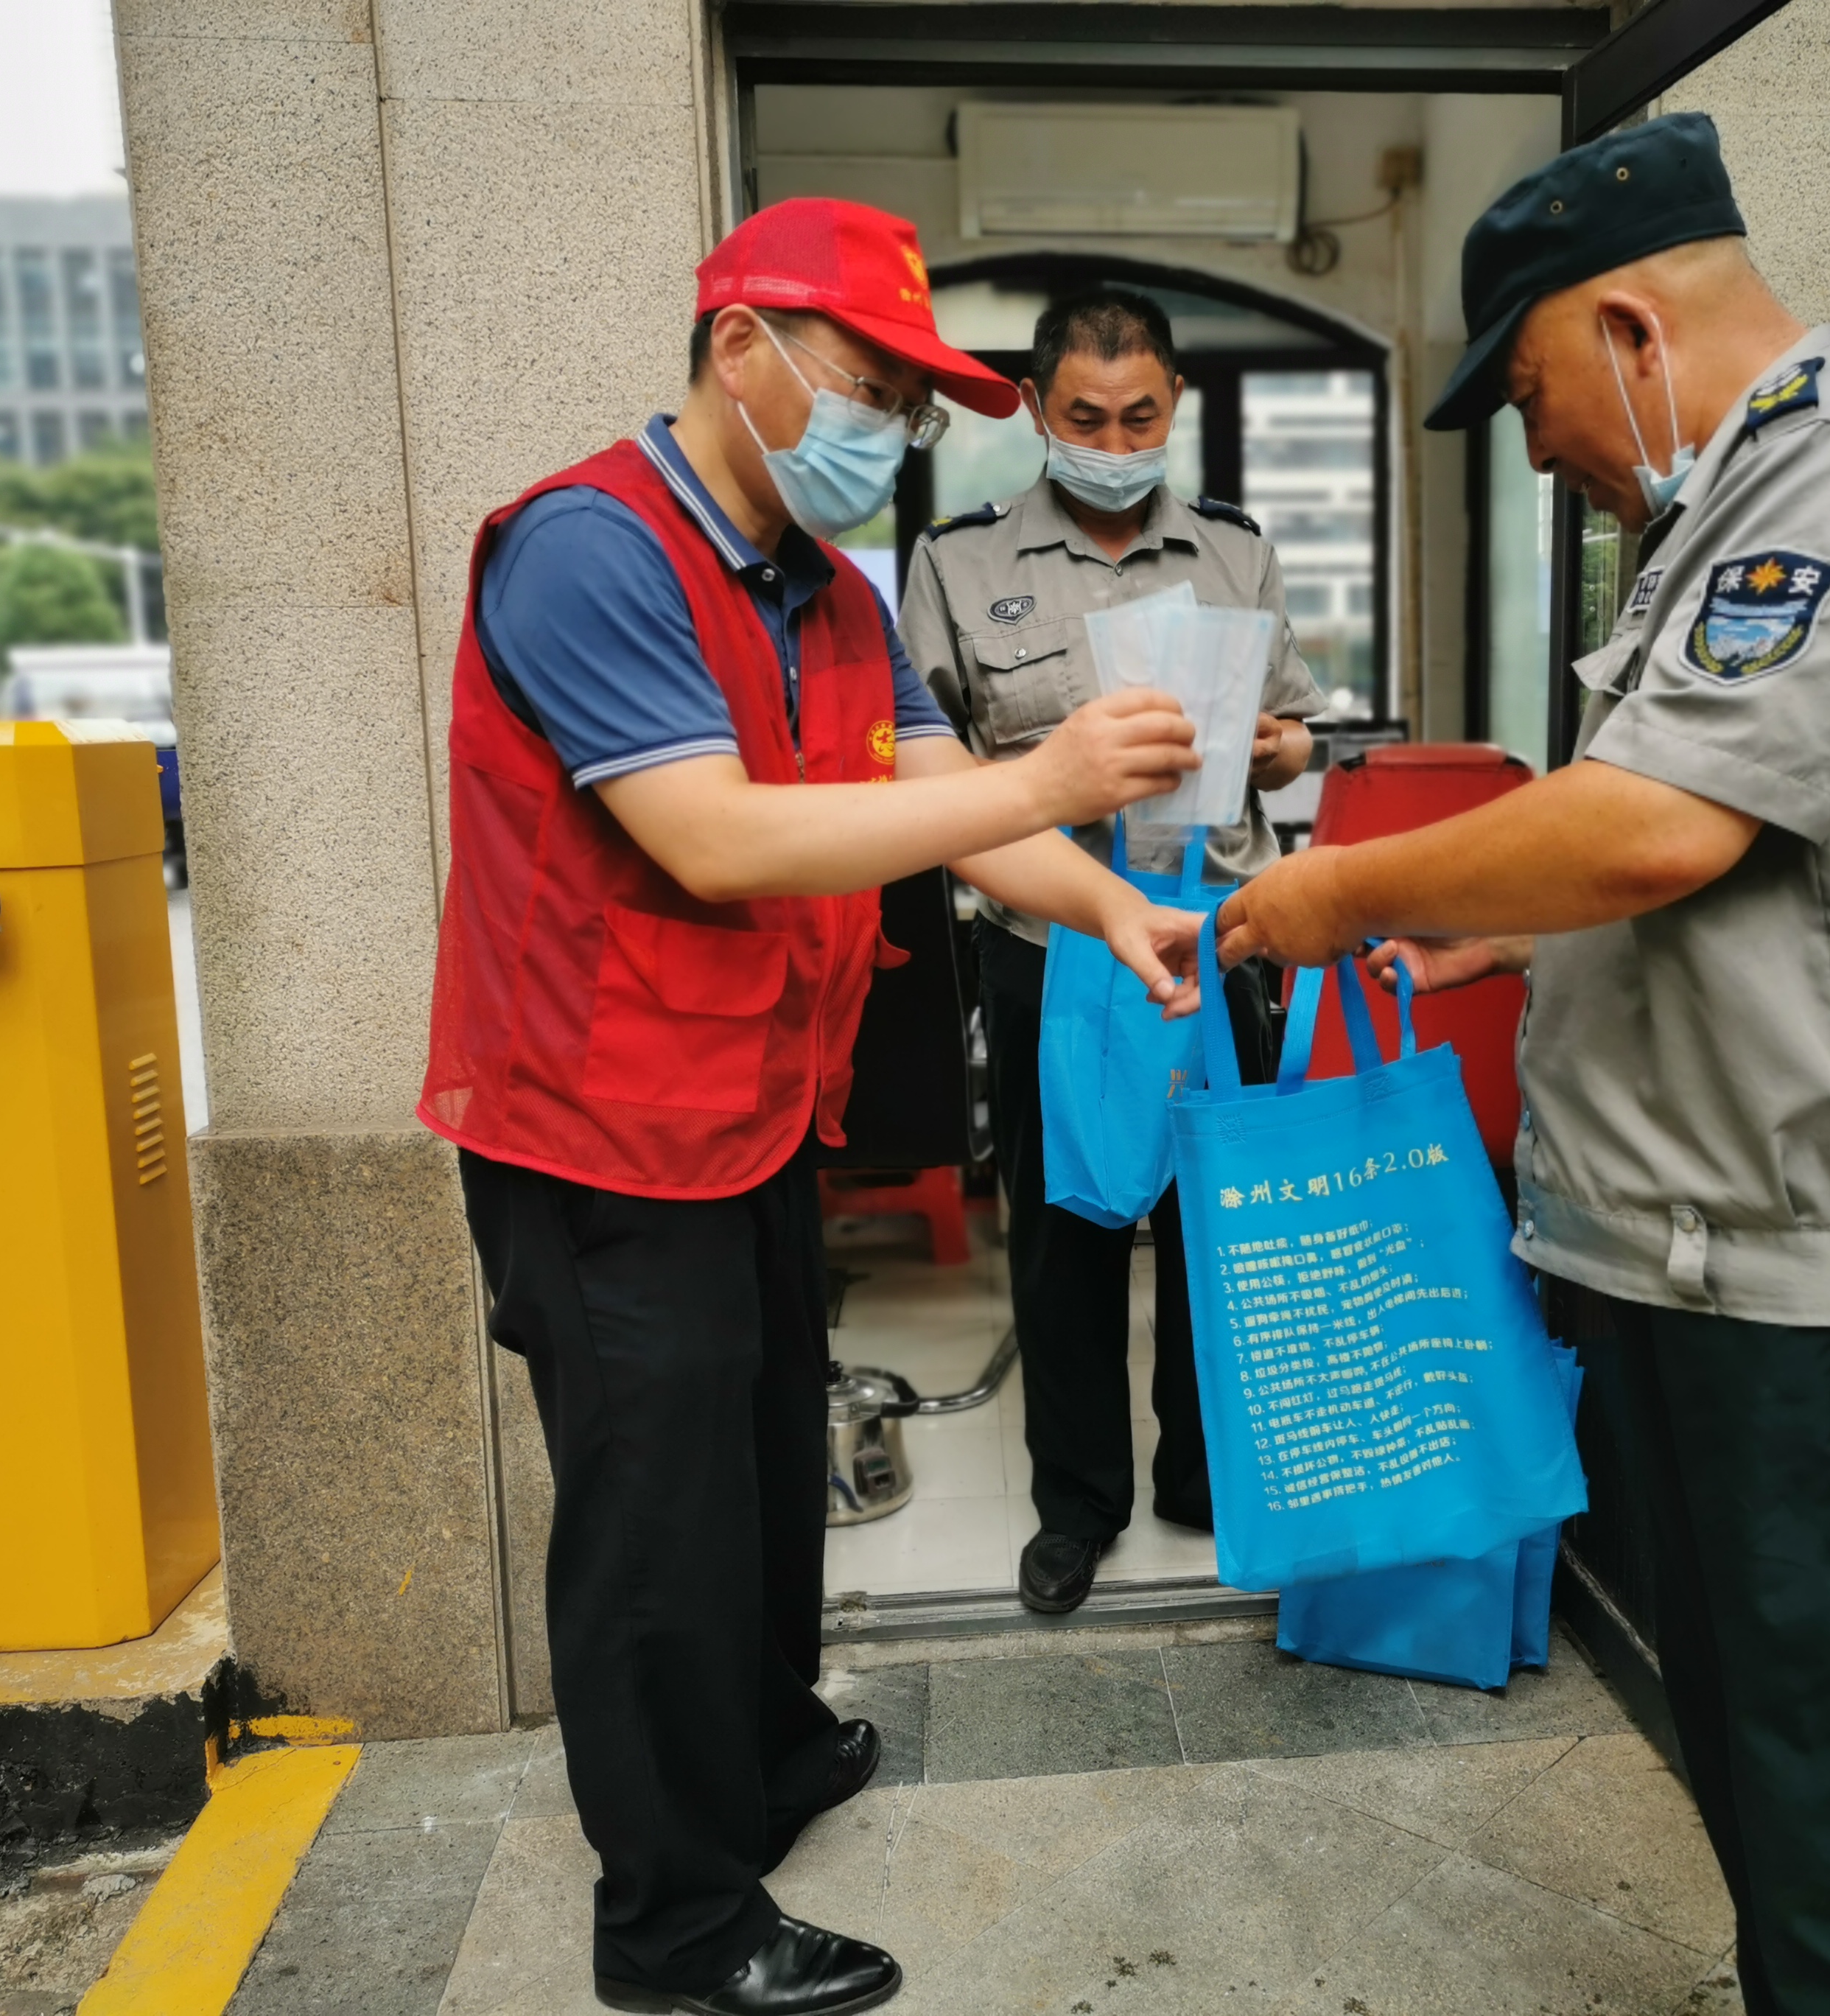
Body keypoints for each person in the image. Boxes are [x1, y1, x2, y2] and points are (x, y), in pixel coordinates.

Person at [1217, 113, 1830, 2016]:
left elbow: (1658, 826)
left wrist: (1341, 890)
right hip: (1729, 1276)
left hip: (1825, 1303)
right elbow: (1773, 860)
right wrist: (1527, 934)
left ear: (1627, 329)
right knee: (1793, 1807)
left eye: (1530, 394)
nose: (1539, 450)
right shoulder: (1724, 512)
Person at [420, 200, 1209, 2016]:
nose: (891, 431)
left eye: (914, 408)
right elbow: (713, 835)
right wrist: (1054, 777)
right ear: (740, 347)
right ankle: (677, 1927)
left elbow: (946, 798)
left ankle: (767, 1755)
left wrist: (1111, 904)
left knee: (768, 1476)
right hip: (599, 1138)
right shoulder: (588, 551)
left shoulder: (838, 593)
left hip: (755, 1114)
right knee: (657, 1528)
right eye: (872, 386)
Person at [900, 287, 1326, 1614]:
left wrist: (1280, 747)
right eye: (1085, 419)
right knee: (1064, 1232)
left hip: (1218, 931)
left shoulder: (1235, 551)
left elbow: (1297, 730)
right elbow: (919, 767)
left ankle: (1205, 1476)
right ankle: (1078, 1506)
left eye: (1141, 416)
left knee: (1219, 1219)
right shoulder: (960, 564)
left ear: (1175, 403)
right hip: (1055, 937)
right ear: (1037, 409)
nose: (1115, 442)